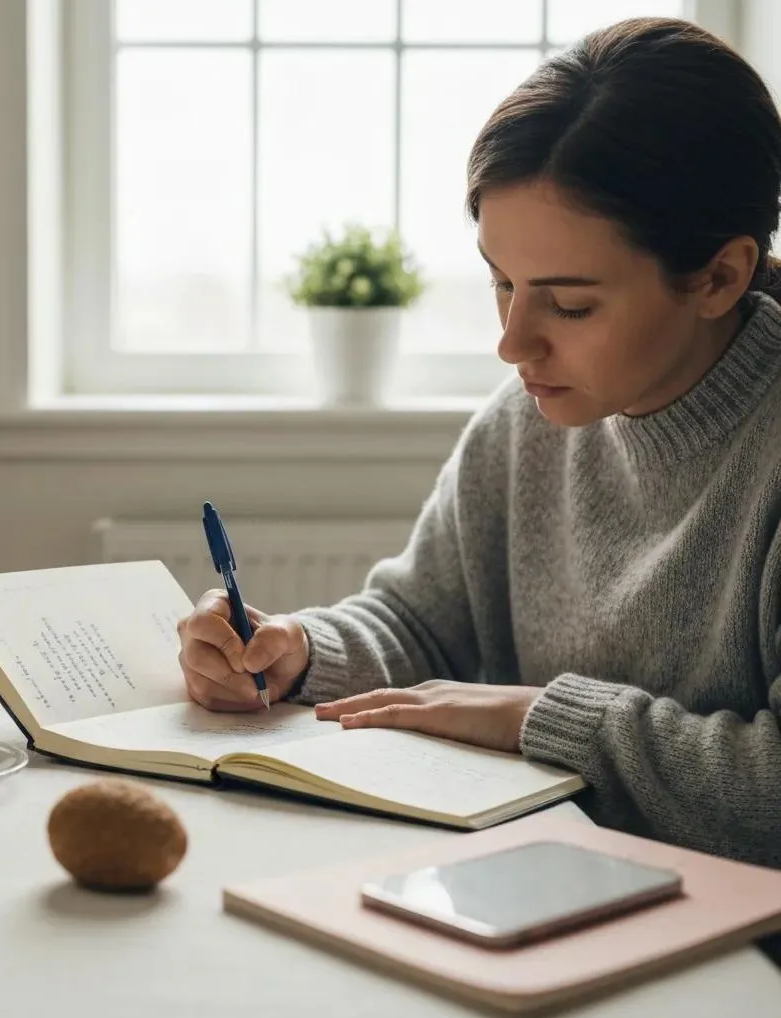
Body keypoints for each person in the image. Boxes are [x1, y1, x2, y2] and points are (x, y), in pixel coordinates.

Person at [176, 17, 781, 872]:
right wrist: (294, 651)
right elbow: (420, 622)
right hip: (543, 892)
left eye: (569, 305)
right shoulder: (526, 417)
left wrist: (539, 721)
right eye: (501, 282)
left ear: (719, 276)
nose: (512, 342)